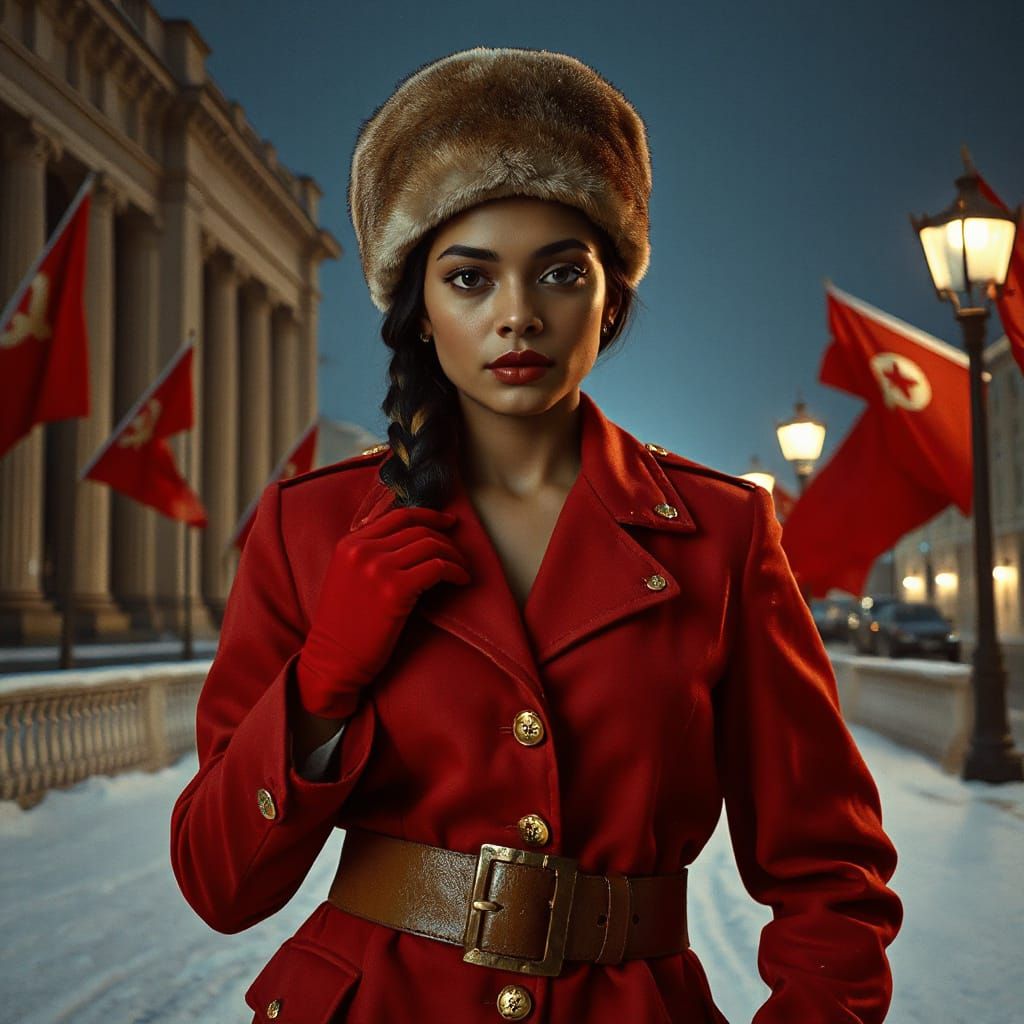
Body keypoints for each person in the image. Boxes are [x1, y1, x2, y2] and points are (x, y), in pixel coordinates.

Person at [170, 46, 903, 1024]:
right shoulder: (309, 527)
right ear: (419, 311)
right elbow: (221, 888)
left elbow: (832, 877)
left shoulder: (722, 534)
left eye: (560, 271)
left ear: (612, 298)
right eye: (469, 278)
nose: (517, 316)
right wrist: (320, 685)